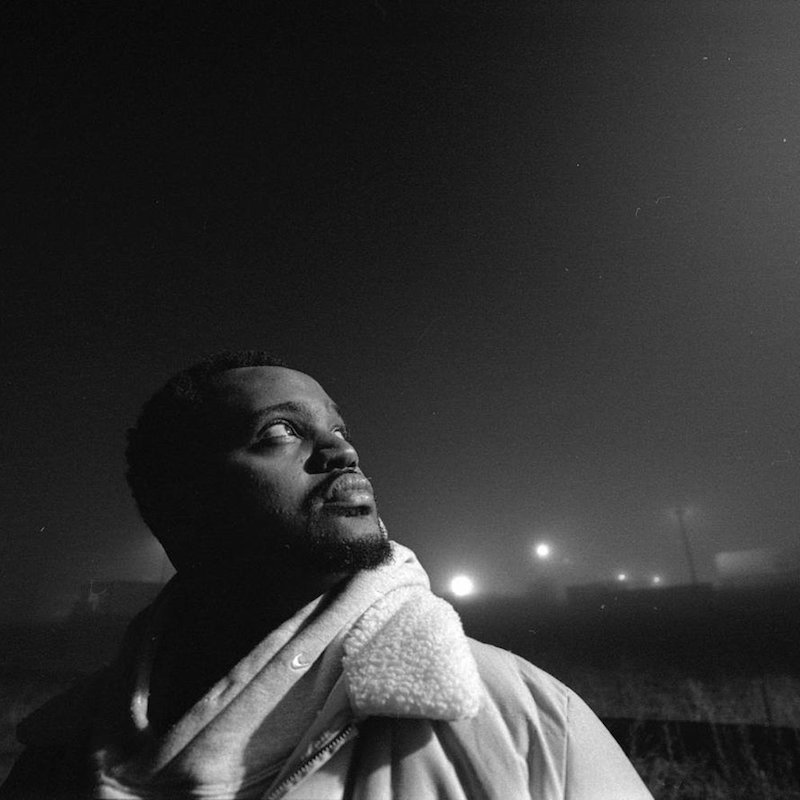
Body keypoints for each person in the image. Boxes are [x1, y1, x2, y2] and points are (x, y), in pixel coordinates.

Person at [1, 351, 653, 799]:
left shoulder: (521, 716)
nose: (343, 450)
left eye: (338, 428)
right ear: (181, 505)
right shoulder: (57, 758)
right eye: (280, 431)